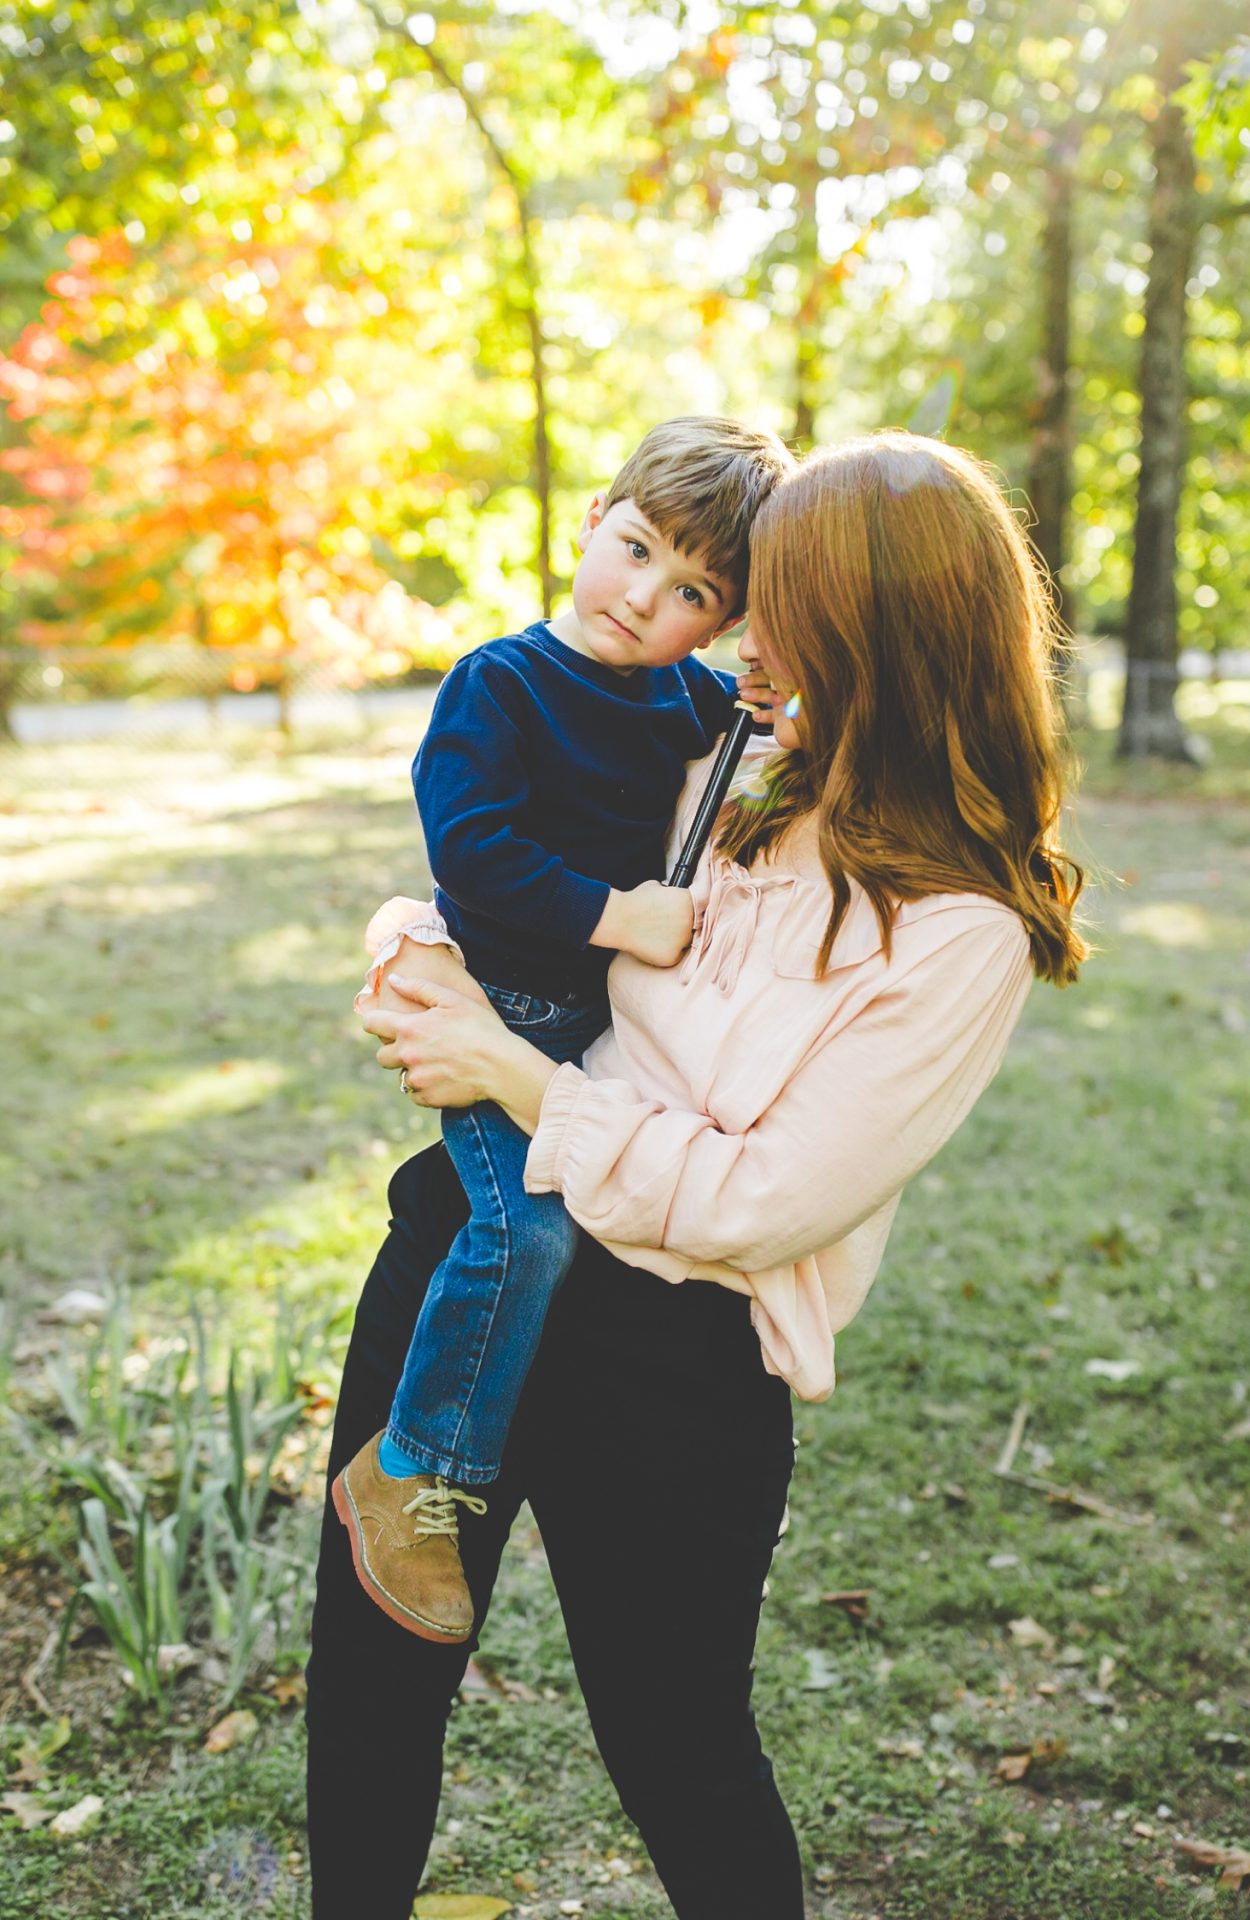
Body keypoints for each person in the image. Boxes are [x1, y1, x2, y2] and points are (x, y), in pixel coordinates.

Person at [307, 431, 1086, 1920]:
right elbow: (501, 871)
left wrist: (510, 1070)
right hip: (474, 1249)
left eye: (764, 597)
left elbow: (756, 1199)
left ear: (872, 634)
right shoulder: (728, 778)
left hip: (676, 1352)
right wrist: (411, 947)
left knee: (676, 1740)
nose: (737, 633)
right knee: (372, 1691)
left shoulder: (961, 928)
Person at [332, 417, 795, 1647]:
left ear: (723, 619)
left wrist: (775, 706)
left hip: (602, 1042)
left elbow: (763, 753)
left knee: (625, 1221)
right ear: (594, 517)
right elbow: (471, 855)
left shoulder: (691, 700)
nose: (642, 599)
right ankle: (414, 1470)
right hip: (504, 1013)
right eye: (635, 549)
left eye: (693, 590)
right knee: (524, 1228)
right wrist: (618, 917)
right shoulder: (504, 682)